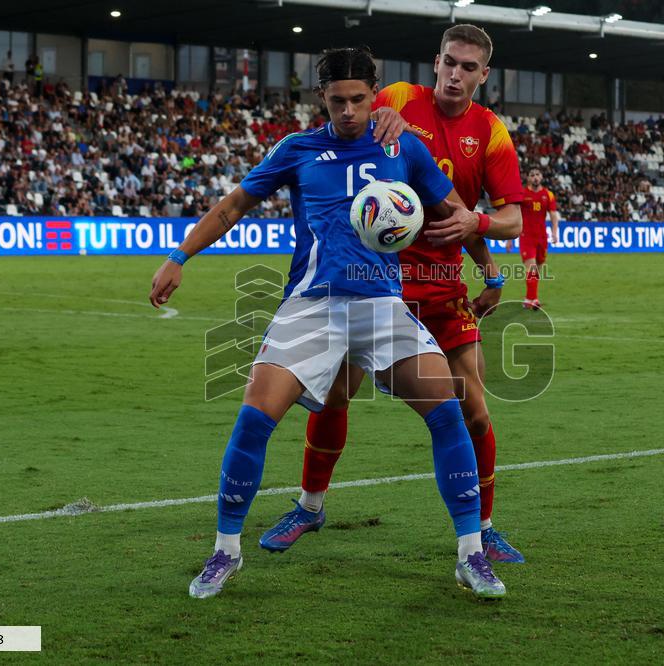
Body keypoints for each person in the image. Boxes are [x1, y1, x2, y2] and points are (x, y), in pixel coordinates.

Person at [150, 47, 509, 599]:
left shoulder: (403, 145)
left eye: (358, 100)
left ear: (375, 94)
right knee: (252, 421)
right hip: (311, 306)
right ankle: (225, 551)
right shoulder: (297, 149)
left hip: (383, 307)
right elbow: (232, 206)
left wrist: (489, 269)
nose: (347, 111)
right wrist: (180, 257)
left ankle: (470, 555)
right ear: (322, 98)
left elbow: (455, 213)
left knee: (448, 413)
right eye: (337, 101)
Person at [260, 24, 527, 564]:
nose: (456, 74)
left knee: (472, 407)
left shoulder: (492, 133)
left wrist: (490, 269)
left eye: (469, 67)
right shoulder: (397, 100)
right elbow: (344, 121)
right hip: (374, 283)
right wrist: (386, 116)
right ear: (436, 62)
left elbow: (506, 218)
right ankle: (310, 507)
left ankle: (484, 526)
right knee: (336, 394)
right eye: (449, 62)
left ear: (484, 75)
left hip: (444, 287)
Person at [519, 167, 559, 308]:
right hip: (526, 237)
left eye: (537, 174)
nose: (535, 177)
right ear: (528, 178)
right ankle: (534, 300)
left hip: (542, 237)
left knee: (538, 270)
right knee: (532, 268)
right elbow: (515, 215)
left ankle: (528, 299)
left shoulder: (548, 195)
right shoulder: (522, 193)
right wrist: (510, 238)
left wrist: (554, 232)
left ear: (541, 177)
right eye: (532, 175)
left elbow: (553, 215)